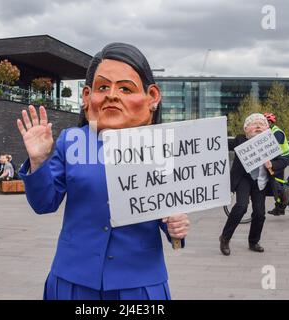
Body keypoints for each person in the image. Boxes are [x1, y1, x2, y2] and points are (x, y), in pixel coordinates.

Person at [17, 43, 190, 300]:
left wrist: (175, 225)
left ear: (151, 96)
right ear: (87, 97)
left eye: (125, 88)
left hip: (138, 282)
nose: (111, 95)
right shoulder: (71, 140)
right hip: (73, 280)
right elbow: (44, 203)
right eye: (102, 87)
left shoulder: (163, 147)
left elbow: (166, 209)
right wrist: (38, 161)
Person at [219, 113, 275, 256]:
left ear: (267, 129)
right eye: (254, 124)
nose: (258, 126)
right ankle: (225, 238)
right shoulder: (239, 140)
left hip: (260, 180)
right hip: (244, 178)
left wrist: (272, 164)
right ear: (246, 129)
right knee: (241, 206)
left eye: (261, 124)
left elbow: (284, 159)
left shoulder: (272, 143)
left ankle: (253, 241)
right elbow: (219, 143)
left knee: (259, 213)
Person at [263, 112, 289, 216]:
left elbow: (273, 149)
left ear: (270, 122)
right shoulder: (269, 131)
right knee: (273, 179)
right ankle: (279, 207)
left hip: (283, 159)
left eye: (265, 122)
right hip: (276, 159)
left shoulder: (277, 132)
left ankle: (282, 202)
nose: (263, 124)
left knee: (273, 178)